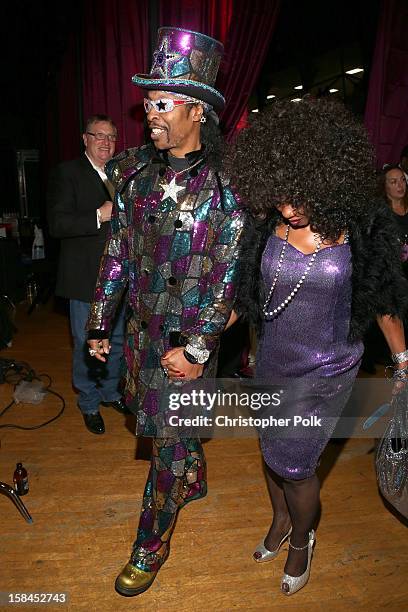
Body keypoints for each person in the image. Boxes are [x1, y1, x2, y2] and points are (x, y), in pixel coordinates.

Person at [224, 97, 408, 596]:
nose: (288, 208)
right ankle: (280, 521)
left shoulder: (361, 229)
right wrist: (204, 333)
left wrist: (402, 363)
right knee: (270, 450)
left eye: (300, 195)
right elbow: (247, 298)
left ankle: (303, 539)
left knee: (297, 465)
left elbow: (383, 302)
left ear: (328, 178)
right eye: (280, 195)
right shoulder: (266, 226)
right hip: (274, 360)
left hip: (329, 368)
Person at [86, 27, 245, 596]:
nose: (150, 114)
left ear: (197, 111)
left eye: (162, 103)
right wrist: (100, 320)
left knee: (169, 443)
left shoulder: (227, 192)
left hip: (189, 345)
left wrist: (199, 350)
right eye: (148, 103)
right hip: (141, 335)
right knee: (158, 430)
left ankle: (150, 544)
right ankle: (192, 473)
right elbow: (118, 256)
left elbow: (228, 284)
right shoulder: (133, 178)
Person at [47, 114, 127, 435]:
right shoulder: (67, 173)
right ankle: (89, 403)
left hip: (120, 277)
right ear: (85, 138)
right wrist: (99, 214)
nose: (105, 142)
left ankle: (110, 392)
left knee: (118, 341)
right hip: (85, 281)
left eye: (111, 137)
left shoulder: (121, 175)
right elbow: (58, 224)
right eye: (99, 136)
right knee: (87, 344)